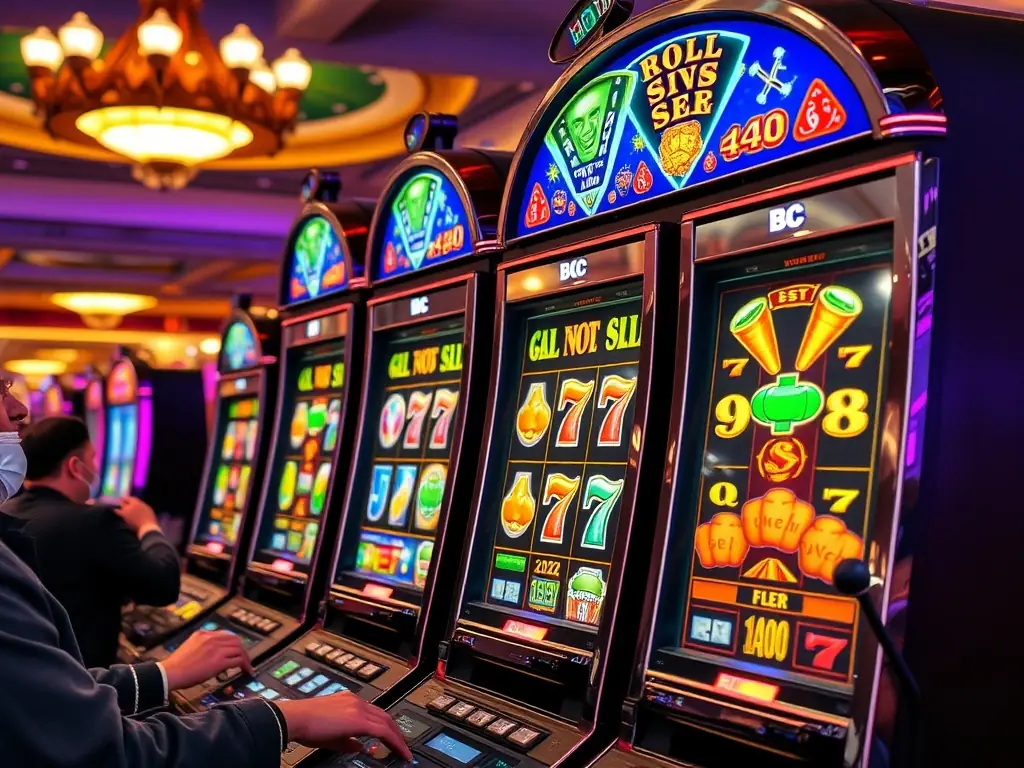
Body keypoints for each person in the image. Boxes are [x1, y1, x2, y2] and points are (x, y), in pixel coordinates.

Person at [0, 381, 412, 766]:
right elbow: (103, 751)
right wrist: (285, 719)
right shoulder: (82, 525)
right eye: (1, 396)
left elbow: (49, 700)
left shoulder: (14, 522)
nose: (20, 410)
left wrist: (165, 673)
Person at [0, 415, 182, 667]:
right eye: (93, 458)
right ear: (75, 467)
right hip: (85, 686)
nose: (97, 468)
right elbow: (164, 586)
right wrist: (147, 525)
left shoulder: (7, 511)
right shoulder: (94, 521)